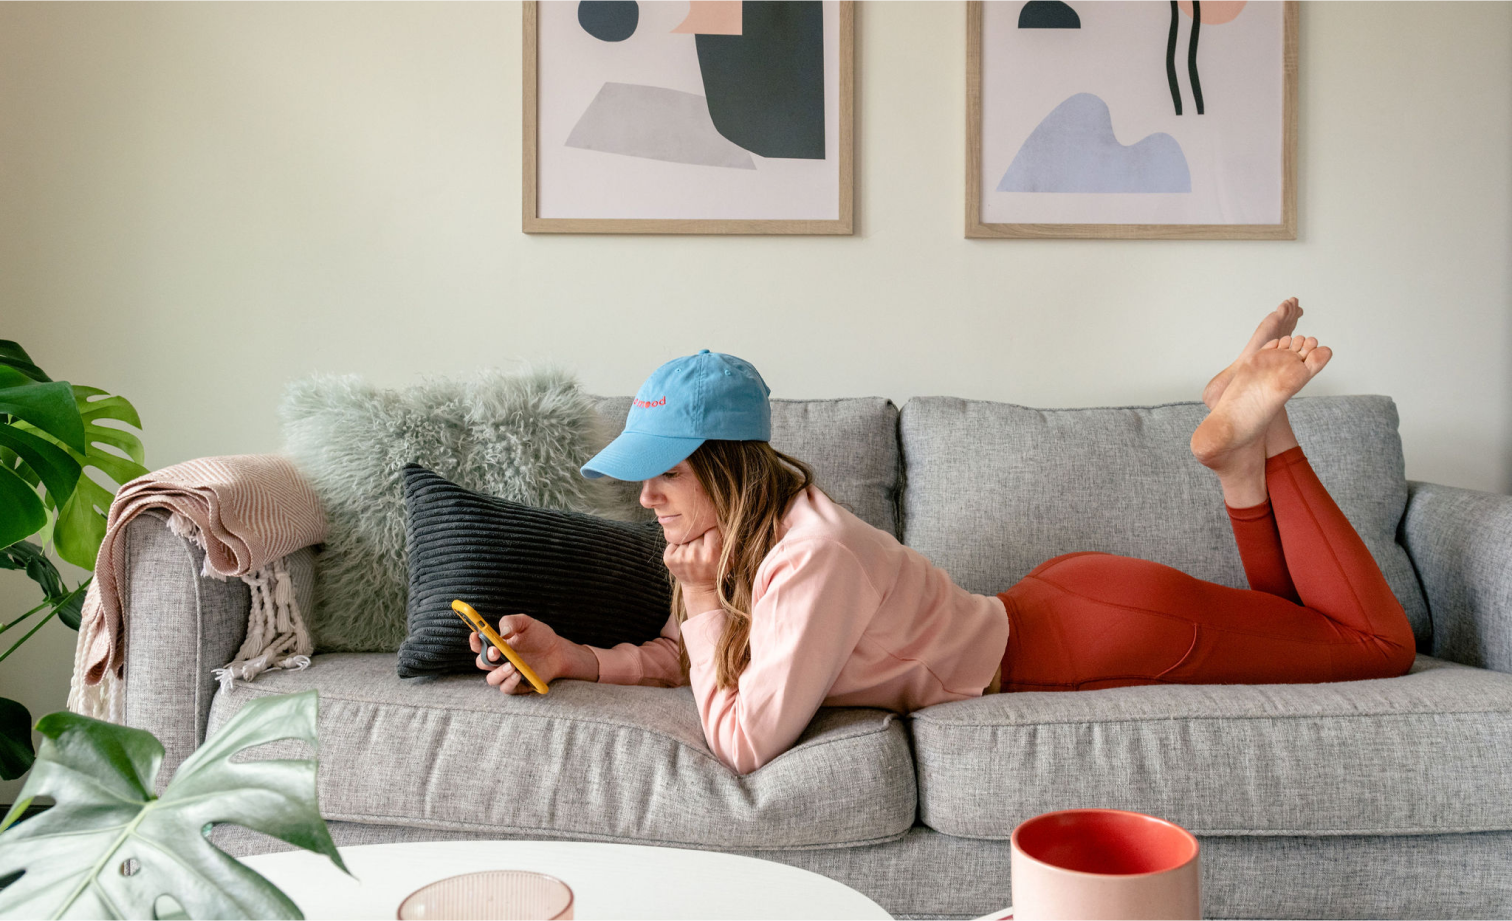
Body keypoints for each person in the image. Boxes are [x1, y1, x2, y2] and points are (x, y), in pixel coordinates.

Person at [469, 299, 1417, 774]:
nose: (645, 497)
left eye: (665, 471)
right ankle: (1243, 457)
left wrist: (709, 603)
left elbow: (745, 736)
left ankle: (1272, 434)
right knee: (1291, 625)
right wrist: (579, 657)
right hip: (1070, 605)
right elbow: (697, 661)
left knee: (1374, 647)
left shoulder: (811, 555)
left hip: (1094, 633)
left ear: (730, 465)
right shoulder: (740, 539)